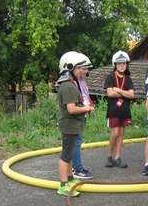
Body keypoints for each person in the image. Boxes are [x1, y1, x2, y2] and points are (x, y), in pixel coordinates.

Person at [56, 51, 95, 196]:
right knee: (66, 155)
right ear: (69, 67)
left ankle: (70, 179)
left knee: (70, 154)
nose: (83, 71)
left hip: (73, 125)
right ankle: (63, 185)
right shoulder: (68, 86)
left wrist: (86, 108)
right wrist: (86, 108)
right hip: (69, 125)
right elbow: (71, 109)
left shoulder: (72, 84)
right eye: (80, 68)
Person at [104, 50, 134, 168]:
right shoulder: (110, 77)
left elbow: (132, 95)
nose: (122, 65)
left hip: (125, 110)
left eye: (124, 63)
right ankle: (109, 157)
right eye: (119, 63)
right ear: (115, 65)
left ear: (127, 65)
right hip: (114, 110)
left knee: (121, 133)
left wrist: (119, 90)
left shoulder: (128, 78)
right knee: (115, 133)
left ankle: (117, 157)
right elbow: (110, 94)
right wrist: (125, 93)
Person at [71, 53, 95, 180]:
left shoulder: (82, 82)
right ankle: (77, 168)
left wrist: (89, 106)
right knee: (75, 142)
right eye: (83, 68)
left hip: (82, 115)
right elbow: (72, 106)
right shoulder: (71, 84)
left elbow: (85, 97)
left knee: (78, 141)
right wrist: (85, 108)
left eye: (86, 69)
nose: (85, 71)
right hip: (76, 116)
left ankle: (76, 166)